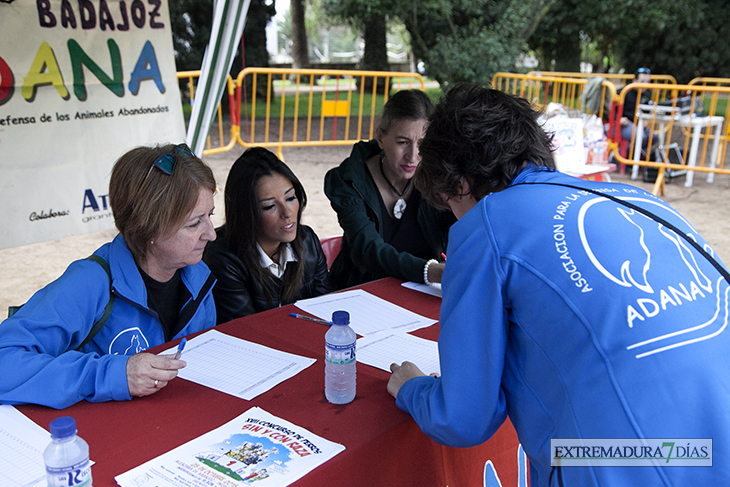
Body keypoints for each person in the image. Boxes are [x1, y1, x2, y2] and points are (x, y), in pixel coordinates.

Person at [387, 85, 730, 484]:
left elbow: (463, 417)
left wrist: (411, 388)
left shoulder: (488, 224)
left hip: (627, 460)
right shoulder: (641, 200)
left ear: (459, 183)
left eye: (449, 204)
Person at [0, 144, 218, 409]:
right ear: (148, 227)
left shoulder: (197, 275)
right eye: (194, 223)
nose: (212, 233)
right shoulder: (90, 281)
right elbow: (5, 361)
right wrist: (112, 374)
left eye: (211, 215)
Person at [324, 90, 455, 290]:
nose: (412, 156)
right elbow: (366, 249)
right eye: (403, 142)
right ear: (381, 138)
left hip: (422, 292)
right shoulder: (347, 180)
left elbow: (464, 226)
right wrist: (431, 271)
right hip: (359, 291)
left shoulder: (436, 177)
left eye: (422, 144)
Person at [203, 147, 330, 323]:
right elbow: (248, 330)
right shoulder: (223, 259)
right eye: (270, 206)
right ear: (246, 213)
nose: (287, 213)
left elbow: (324, 311)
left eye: (291, 198)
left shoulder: (308, 241)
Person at [619, 67, 653, 157]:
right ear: (634, 81)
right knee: (640, 137)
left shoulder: (646, 95)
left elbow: (647, 111)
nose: (645, 85)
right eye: (642, 82)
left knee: (653, 137)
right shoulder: (624, 92)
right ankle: (620, 156)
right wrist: (618, 118)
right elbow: (611, 108)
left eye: (647, 82)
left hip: (638, 124)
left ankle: (633, 158)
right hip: (624, 124)